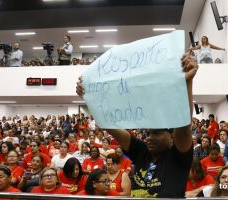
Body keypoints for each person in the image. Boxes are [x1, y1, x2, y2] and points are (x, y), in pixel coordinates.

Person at [76, 51, 198, 197]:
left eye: (157, 133)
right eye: (149, 133)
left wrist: (186, 82)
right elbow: (109, 125)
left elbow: (183, 122)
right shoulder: (143, 152)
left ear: (172, 137)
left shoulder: (178, 156)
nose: (149, 138)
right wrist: (89, 96)